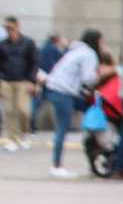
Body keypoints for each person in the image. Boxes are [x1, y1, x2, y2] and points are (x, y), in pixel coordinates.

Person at [42, 29, 102, 178]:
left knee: (61, 128)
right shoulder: (89, 54)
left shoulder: (76, 50)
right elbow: (88, 78)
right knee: (62, 128)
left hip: (54, 87)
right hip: (64, 91)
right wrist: (98, 76)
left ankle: (57, 164)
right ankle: (57, 165)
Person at [1, 16, 37, 151]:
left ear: (17, 27)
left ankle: (24, 134)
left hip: (23, 81)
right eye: (6, 28)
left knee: (24, 111)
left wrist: (32, 81)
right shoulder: (3, 44)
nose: (9, 31)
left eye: (11, 28)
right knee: (10, 111)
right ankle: (12, 139)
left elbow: (34, 63)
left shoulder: (28, 43)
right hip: (6, 81)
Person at [32, 33, 67, 134]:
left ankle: (32, 125)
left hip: (40, 78)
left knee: (37, 103)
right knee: (56, 103)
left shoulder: (42, 48)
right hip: (50, 80)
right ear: (57, 40)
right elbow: (57, 64)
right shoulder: (54, 50)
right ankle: (61, 126)